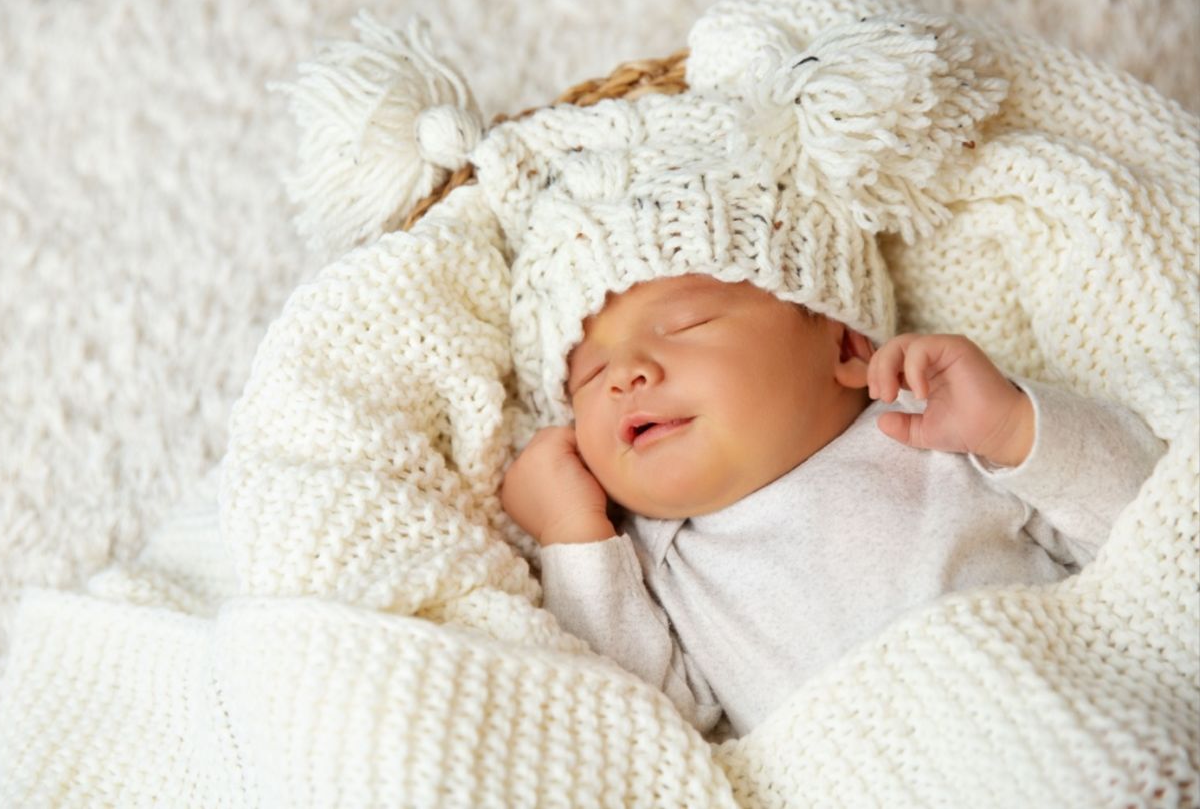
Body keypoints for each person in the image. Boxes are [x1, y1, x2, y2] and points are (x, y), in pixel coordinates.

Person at [499, 271, 1164, 738]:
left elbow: (1152, 527)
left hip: (1068, 717)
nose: (625, 374)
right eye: (588, 375)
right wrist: (574, 533)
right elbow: (638, 726)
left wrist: (1015, 429)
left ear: (845, 346)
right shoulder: (657, 560)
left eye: (685, 324)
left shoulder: (937, 427)